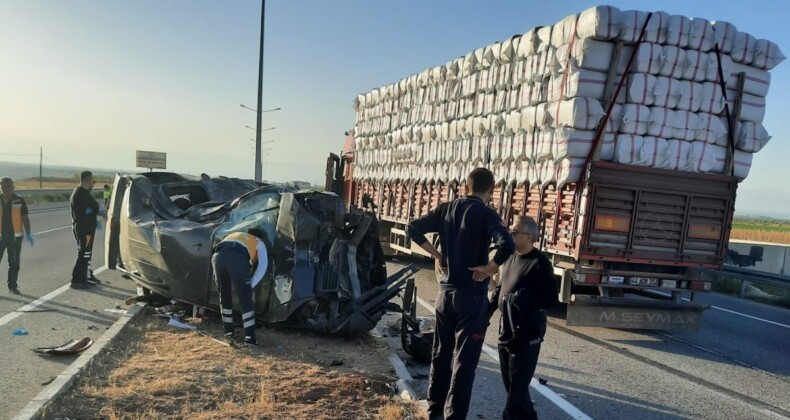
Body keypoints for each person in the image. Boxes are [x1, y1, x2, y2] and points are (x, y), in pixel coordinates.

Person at [406, 167, 515, 420]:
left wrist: (436, 255)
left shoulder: (445, 209)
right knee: (464, 365)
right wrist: (490, 267)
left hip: (445, 295)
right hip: (472, 296)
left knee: (440, 356)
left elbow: (413, 227)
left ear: (466, 187)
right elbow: (506, 244)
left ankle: (434, 414)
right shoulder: (487, 214)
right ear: (490, 190)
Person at [489, 216, 558, 420]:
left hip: (527, 335)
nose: (511, 235)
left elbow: (550, 300)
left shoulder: (540, 264)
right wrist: (487, 312)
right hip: (506, 332)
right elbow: (501, 287)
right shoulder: (510, 257)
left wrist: (524, 301)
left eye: (515, 232)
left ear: (530, 237)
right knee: (512, 386)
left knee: (515, 396)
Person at [211, 228, 269, 346]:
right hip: (236, 257)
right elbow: (263, 265)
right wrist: (251, 284)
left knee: (224, 294)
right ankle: (250, 338)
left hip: (218, 257)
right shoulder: (259, 242)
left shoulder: (235, 235)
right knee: (245, 298)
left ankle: (228, 332)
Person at [70, 171, 103, 289]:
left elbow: (92, 208)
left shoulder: (81, 192)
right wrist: (95, 211)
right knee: (84, 254)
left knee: (86, 254)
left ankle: (84, 278)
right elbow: (93, 207)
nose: (92, 183)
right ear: (88, 180)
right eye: (92, 180)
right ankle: (77, 280)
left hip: (86, 228)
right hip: (84, 229)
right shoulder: (81, 193)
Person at [0, 177, 34, 294]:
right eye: (3, 186)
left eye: (8, 186)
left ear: (13, 187)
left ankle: (12, 286)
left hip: (14, 238)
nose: (6, 189)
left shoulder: (19, 201)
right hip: (0, 237)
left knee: (14, 263)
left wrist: (28, 233)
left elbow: (25, 218)